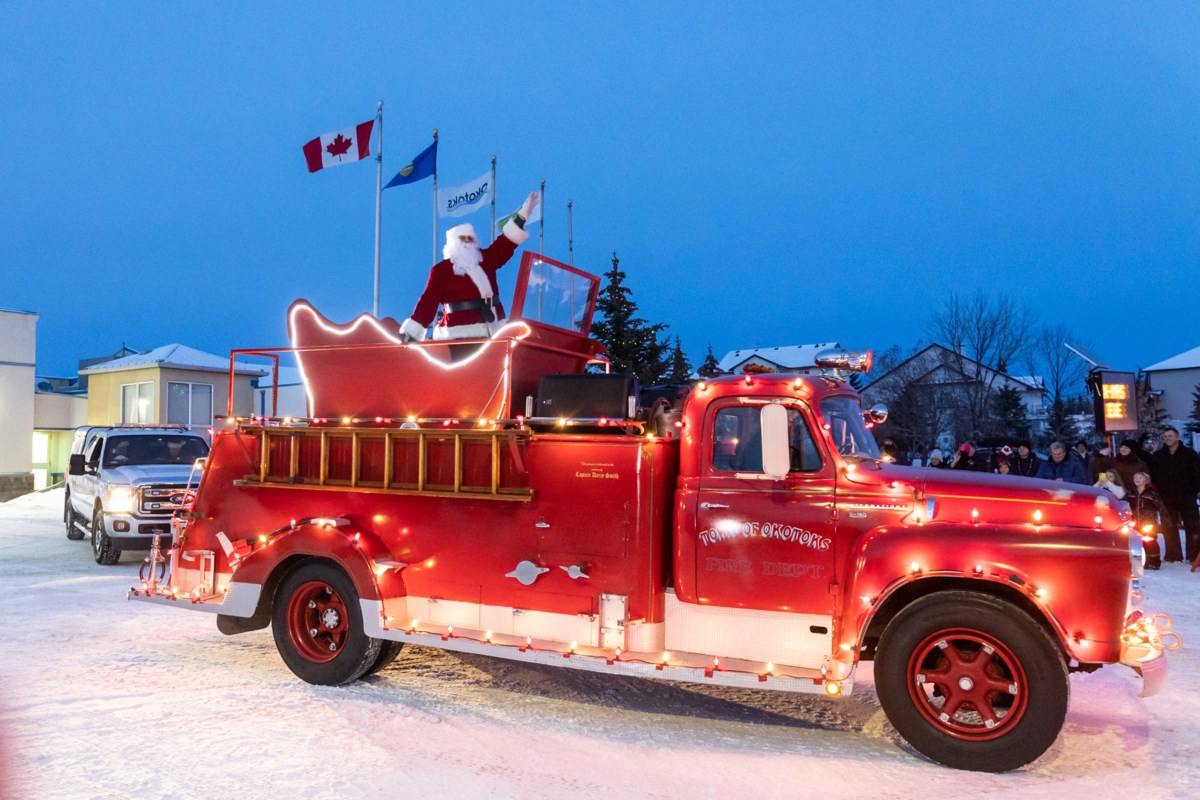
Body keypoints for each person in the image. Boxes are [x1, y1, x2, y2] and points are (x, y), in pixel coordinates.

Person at [399, 191, 540, 343]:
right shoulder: (442, 270)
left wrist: (522, 217)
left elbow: (506, 243)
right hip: (455, 337)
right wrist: (410, 335)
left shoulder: (486, 260)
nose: (467, 242)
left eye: (470, 238)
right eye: (462, 239)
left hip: (492, 334)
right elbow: (427, 303)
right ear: (453, 244)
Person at [1148, 426, 1200, 563]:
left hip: (1187, 496)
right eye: (1165, 437)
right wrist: (1159, 489)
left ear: (1178, 437)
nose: (1167, 439)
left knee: (1192, 525)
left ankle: (1193, 556)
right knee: (1169, 526)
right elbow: (1153, 475)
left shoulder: (1190, 454)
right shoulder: (1158, 456)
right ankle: (1173, 555)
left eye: (1170, 436)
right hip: (1166, 497)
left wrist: (1193, 490)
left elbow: (1197, 474)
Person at [1129, 471, 1165, 570]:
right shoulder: (1131, 492)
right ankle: (1140, 561)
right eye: (1135, 477)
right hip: (1135, 522)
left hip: (1149, 522)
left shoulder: (1151, 493)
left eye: (1140, 478)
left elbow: (1161, 506)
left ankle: (1154, 562)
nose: (1137, 479)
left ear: (1146, 480)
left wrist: (1165, 519)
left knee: (1150, 541)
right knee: (1137, 542)